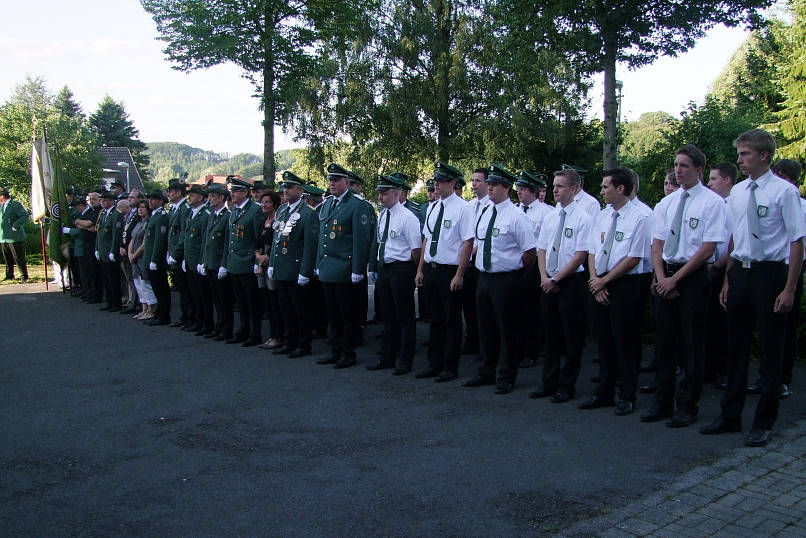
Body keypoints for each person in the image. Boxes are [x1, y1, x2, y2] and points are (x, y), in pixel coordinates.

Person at [701, 129, 805, 447]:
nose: (740, 160)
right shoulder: (738, 192)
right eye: (739, 154)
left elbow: (796, 241)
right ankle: (730, 415)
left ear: (763, 155)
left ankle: (764, 421)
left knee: (771, 350)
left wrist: (789, 288)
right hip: (741, 274)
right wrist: (728, 279)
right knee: (736, 347)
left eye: (745, 154)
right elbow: (736, 237)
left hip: (770, 274)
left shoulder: (784, 192)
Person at [641, 145, 726, 426]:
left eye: (684, 166)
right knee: (665, 342)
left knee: (692, 343)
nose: (678, 170)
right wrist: (661, 278)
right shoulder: (666, 203)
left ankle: (688, 405)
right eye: (676, 165)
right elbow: (657, 245)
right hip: (665, 274)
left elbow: (708, 248)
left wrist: (675, 280)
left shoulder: (712, 203)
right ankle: (663, 401)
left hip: (692, 276)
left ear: (699, 169)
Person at [579, 168, 650, 414]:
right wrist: (595, 280)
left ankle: (627, 394)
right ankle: (604, 392)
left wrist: (605, 281)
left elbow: (633, 258)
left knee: (624, 342)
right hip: (599, 281)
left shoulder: (640, 217)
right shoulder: (602, 216)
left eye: (605, 187)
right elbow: (592, 250)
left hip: (624, 284)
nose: (601, 191)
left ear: (620, 189)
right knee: (604, 341)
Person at [463, 164, 536, 394]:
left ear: (506, 188)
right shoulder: (486, 213)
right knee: (486, 328)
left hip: (506, 279)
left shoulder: (516, 216)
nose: (490, 188)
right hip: (484, 277)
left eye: (494, 185)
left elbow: (529, 252)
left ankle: (506, 375)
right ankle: (487, 371)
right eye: (489, 184)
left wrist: (513, 270)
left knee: (508, 329)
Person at [531, 168, 592, 403]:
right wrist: (545, 277)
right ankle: (549, 382)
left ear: (573, 189)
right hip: (548, 281)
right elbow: (542, 249)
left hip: (570, 282)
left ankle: (567, 386)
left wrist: (556, 279)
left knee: (572, 336)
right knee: (551, 335)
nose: (554, 190)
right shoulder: (550, 216)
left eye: (560, 186)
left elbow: (580, 256)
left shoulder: (583, 218)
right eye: (554, 186)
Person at [415, 162, 474, 382]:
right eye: (435, 181)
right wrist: (420, 269)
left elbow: (468, 242)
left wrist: (460, 274)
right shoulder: (433, 207)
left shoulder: (463, 208)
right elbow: (426, 239)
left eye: (440, 181)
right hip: (431, 269)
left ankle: (450, 367)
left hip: (449, 270)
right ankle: (434, 363)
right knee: (435, 320)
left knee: (451, 320)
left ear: (452, 183)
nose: (436, 185)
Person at [315, 163, 373, 368]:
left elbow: (361, 240)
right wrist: (318, 262)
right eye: (330, 180)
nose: (332, 183)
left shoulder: (357, 205)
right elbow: (322, 238)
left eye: (336, 180)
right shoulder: (327, 204)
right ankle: (335, 350)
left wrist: (358, 269)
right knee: (332, 314)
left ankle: (348, 353)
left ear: (347, 182)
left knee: (347, 314)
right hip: (328, 267)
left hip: (345, 268)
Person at [366, 174, 422, 374]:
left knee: (405, 317)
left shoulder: (408, 218)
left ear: (397, 194)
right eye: (379, 193)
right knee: (388, 317)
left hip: (401, 269)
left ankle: (405, 360)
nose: (380, 197)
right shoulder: (383, 215)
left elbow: (416, 250)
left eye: (385, 193)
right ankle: (387, 357)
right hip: (386, 269)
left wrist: (413, 272)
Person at [268, 173, 319, 357]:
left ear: (299, 189)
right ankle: (290, 341)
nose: (285, 190)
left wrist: (305, 272)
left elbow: (310, 246)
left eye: (289, 187)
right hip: (282, 267)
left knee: (301, 310)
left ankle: (303, 344)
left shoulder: (308, 214)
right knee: (286, 309)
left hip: (296, 269)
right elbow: (276, 240)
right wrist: (272, 263)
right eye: (284, 187)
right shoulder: (282, 210)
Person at [770, 158, 805, 399]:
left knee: (786, 327)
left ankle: (783, 379)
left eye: (781, 177)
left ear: (792, 180)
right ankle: (766, 376)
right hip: (772, 269)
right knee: (768, 325)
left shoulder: (801, 206)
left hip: (792, 269)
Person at [515, 170, 553, 368]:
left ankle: (533, 350)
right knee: (517, 311)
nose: (519, 192)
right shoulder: (515, 209)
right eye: (518, 188)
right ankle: (518, 348)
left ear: (533, 191)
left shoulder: (546, 213)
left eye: (523, 189)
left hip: (535, 265)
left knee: (532, 311)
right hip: (515, 264)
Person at [705, 162, 737, 389]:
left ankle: (725, 370)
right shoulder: (710, 205)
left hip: (725, 268)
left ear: (727, 180)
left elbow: (735, 240)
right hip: (707, 268)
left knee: (726, 322)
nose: (709, 183)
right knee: (707, 321)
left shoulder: (734, 205)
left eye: (714, 179)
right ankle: (708, 367)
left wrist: (718, 264)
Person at [223, 177, 263, 347]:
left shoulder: (254, 210)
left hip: (247, 262)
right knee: (241, 301)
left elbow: (258, 238)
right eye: (231, 191)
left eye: (235, 191)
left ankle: (255, 333)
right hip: (235, 262)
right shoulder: (235, 210)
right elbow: (230, 238)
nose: (232, 194)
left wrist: (256, 261)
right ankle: (244, 330)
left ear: (245, 192)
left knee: (252, 301)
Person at [461, 168, 490, 356]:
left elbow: (484, 238)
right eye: (472, 180)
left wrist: (471, 253)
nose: (474, 184)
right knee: (468, 305)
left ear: (487, 183)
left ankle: (485, 345)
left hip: (480, 262)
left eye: (478, 180)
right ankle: (471, 340)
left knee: (483, 307)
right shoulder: (469, 206)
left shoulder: (492, 206)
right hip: (467, 263)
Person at [199, 183, 234, 341]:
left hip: (219, 263)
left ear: (221, 197)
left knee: (224, 299)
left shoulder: (227, 216)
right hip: (210, 262)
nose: (210, 199)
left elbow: (226, 243)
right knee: (217, 299)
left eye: (213, 196)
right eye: (209, 196)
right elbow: (207, 241)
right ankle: (219, 326)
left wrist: (224, 264)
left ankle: (227, 328)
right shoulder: (212, 215)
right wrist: (203, 261)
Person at [255, 190, 285, 349]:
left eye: (267, 202)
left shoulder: (278, 222)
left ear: (275, 204)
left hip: (271, 265)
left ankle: (278, 336)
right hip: (261, 265)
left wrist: (266, 259)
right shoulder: (262, 222)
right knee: (267, 301)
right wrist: (258, 257)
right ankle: (272, 335)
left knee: (275, 303)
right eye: (262, 202)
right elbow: (257, 244)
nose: (264, 205)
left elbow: (276, 243)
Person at [182, 184, 213, 335]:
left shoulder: (205, 215)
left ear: (200, 197)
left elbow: (203, 241)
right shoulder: (191, 213)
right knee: (193, 293)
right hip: (190, 259)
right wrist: (184, 258)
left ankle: (206, 323)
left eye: (193, 195)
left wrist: (201, 261)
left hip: (198, 260)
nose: (190, 197)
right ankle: (196, 320)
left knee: (203, 295)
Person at [165, 178, 193, 329]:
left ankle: (189, 317)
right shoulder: (175, 208)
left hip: (180, 254)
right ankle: (184, 316)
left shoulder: (184, 209)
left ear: (178, 192)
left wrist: (175, 254)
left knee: (186, 289)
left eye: (170, 191)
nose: (168, 194)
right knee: (182, 288)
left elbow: (183, 234)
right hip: (174, 253)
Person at [143, 189, 171, 326]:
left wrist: (154, 260)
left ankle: (164, 316)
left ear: (161, 201)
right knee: (156, 288)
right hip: (150, 257)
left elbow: (159, 241)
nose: (150, 201)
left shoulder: (161, 216)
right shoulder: (154, 215)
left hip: (157, 259)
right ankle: (160, 313)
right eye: (149, 199)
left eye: (153, 199)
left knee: (161, 289)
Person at [128, 199, 158, 320]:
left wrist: (134, 255)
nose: (140, 209)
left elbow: (145, 243)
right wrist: (130, 254)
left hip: (142, 257)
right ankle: (144, 308)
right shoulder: (138, 223)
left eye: (143, 207)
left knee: (145, 283)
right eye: (138, 207)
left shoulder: (148, 222)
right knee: (138, 284)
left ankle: (151, 310)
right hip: (134, 257)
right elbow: (132, 239)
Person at [95, 191, 124, 312]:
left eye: (106, 200)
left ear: (112, 201)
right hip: (102, 251)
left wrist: (113, 251)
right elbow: (99, 232)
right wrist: (96, 248)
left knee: (113, 279)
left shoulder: (116, 214)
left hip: (110, 251)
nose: (103, 202)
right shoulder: (103, 213)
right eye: (102, 200)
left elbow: (116, 235)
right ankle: (109, 301)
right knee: (106, 279)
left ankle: (116, 303)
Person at [0, 186, 30, 282]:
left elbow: (25, 216)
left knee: (18, 258)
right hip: (4, 236)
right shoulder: (1, 206)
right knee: (7, 258)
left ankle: (24, 276)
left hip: (15, 236)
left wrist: (15, 225)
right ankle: (9, 275)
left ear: (2, 196)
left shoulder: (15, 204)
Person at [119, 191, 142, 314]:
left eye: (132, 197)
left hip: (133, 250)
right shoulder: (130, 214)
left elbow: (135, 234)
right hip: (125, 250)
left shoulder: (137, 214)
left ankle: (137, 303)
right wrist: (122, 246)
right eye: (129, 197)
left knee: (135, 278)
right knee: (129, 277)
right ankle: (132, 302)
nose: (129, 199)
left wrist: (127, 247)